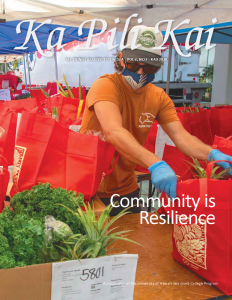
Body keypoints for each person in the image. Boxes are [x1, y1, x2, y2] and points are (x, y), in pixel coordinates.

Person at [80, 25, 232, 215]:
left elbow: (182, 137)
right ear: (121, 58)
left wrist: (212, 154)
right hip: (91, 189)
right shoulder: (106, 85)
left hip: (126, 189)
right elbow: (113, 131)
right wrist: (155, 163)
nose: (142, 71)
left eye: (150, 65)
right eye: (135, 63)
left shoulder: (158, 97)